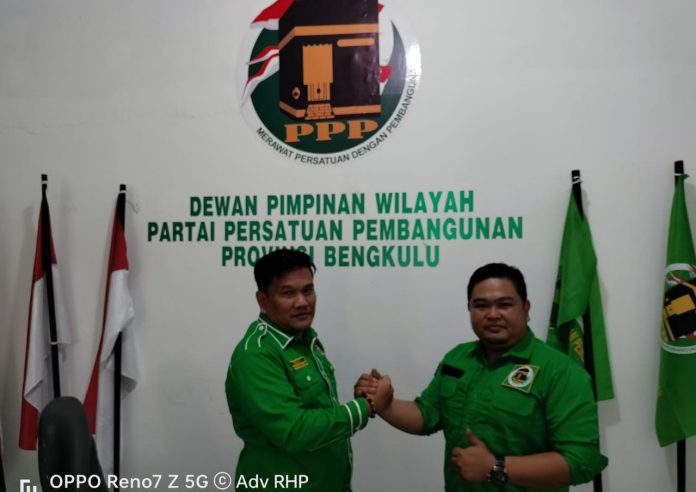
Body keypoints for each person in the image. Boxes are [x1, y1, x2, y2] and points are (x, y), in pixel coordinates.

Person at [355, 262, 608, 491]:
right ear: (469, 309)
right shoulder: (458, 358)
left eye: (505, 304)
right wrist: (385, 404)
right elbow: (426, 415)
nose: (493, 314)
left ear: (526, 308)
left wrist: (495, 466)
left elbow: (581, 461)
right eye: (481, 305)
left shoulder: (561, 372)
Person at [225, 249, 391, 491]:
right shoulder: (255, 355)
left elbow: (317, 408)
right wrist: (367, 407)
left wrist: (363, 397)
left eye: (308, 290)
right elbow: (295, 431)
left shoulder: (305, 339)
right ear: (263, 301)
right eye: (288, 293)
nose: (302, 302)